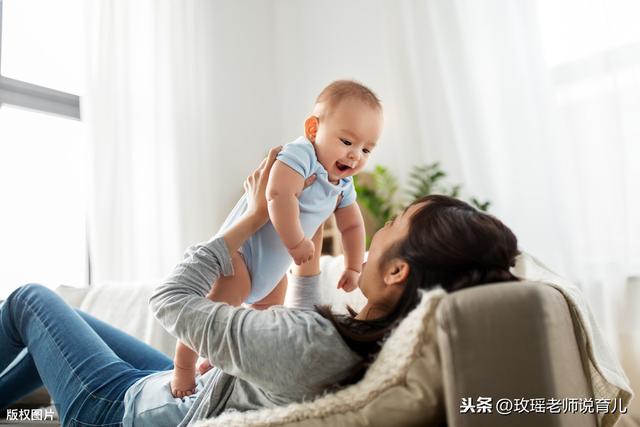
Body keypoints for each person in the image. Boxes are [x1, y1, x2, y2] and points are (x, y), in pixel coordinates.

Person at [0, 147, 520, 426]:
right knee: (63, 332)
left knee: (28, 299)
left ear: (398, 272)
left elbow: (169, 300)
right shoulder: (370, 340)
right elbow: (301, 330)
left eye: (394, 224)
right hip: (178, 389)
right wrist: (306, 247)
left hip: (119, 411)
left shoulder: (312, 349)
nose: (377, 227)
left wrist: (249, 219)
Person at [171, 80, 383, 397]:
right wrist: (297, 242)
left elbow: (351, 226)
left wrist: (353, 266)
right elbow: (278, 195)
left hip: (273, 272)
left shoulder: (341, 184)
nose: (355, 155)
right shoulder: (300, 154)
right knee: (210, 316)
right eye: (347, 141)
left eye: (366, 149)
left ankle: (217, 363)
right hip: (241, 256)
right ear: (314, 129)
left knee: (266, 320)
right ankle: (183, 369)